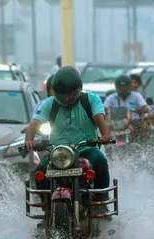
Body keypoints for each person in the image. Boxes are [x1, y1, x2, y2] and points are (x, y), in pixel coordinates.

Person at [23, 66, 112, 216]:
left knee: (100, 161)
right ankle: (46, 207)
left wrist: (105, 134)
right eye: (61, 94)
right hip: (57, 152)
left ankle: (100, 202)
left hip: (86, 149)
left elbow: (99, 119)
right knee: (40, 170)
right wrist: (28, 140)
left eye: (70, 94)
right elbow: (33, 125)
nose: (66, 98)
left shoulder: (91, 100)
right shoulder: (48, 104)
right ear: (54, 92)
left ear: (79, 89)